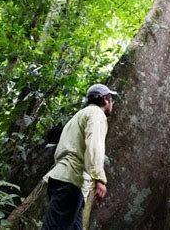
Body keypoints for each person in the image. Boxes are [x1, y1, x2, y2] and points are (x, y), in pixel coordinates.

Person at [42, 84, 117, 230]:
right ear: (105, 100)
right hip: (71, 181)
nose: (112, 103)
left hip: (63, 179)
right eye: (111, 99)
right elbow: (94, 145)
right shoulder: (97, 115)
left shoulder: (80, 115)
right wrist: (99, 178)